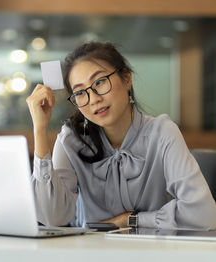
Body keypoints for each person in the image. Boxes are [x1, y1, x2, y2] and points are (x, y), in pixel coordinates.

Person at [26, 41, 216, 230]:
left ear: (126, 78)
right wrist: (39, 129)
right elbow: (52, 217)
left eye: (100, 82)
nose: (93, 99)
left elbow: (204, 214)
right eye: (81, 92)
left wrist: (131, 220)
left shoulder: (162, 132)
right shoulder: (71, 140)